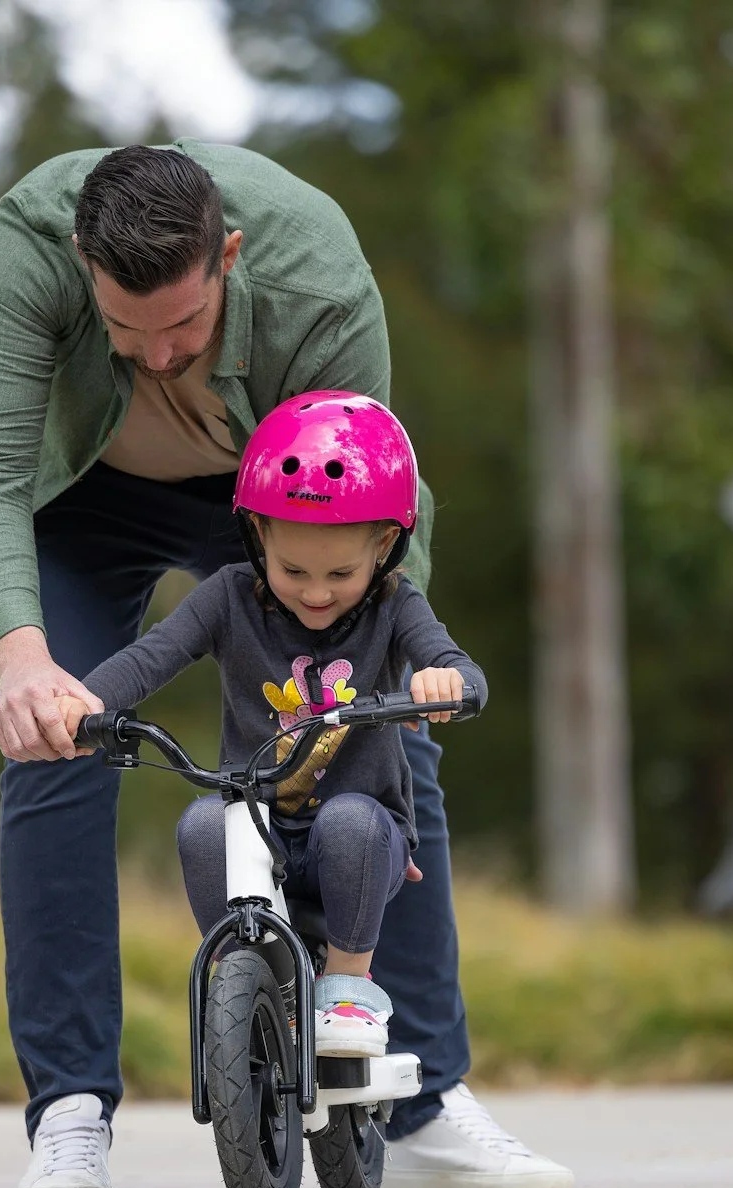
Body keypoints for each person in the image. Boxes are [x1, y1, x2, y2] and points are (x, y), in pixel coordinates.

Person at [0, 141, 574, 1188]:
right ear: (83, 264)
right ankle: (70, 1113)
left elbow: (373, 487)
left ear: (227, 254)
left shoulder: (317, 271)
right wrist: (23, 659)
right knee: (57, 736)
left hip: (287, 504)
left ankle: (418, 1099)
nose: (155, 356)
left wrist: (405, 669)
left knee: (387, 742)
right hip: (86, 502)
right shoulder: (29, 245)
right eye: (123, 331)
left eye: (182, 326)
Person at [61, 392, 476, 1068]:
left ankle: (348, 986)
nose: (315, 592)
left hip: (365, 830)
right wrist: (81, 701)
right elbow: (152, 656)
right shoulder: (228, 597)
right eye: (293, 570)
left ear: (385, 545)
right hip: (261, 827)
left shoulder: (397, 607)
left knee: (347, 820)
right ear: (258, 540)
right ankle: (247, 983)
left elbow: (456, 666)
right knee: (202, 825)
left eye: (340, 573)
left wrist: (443, 682)